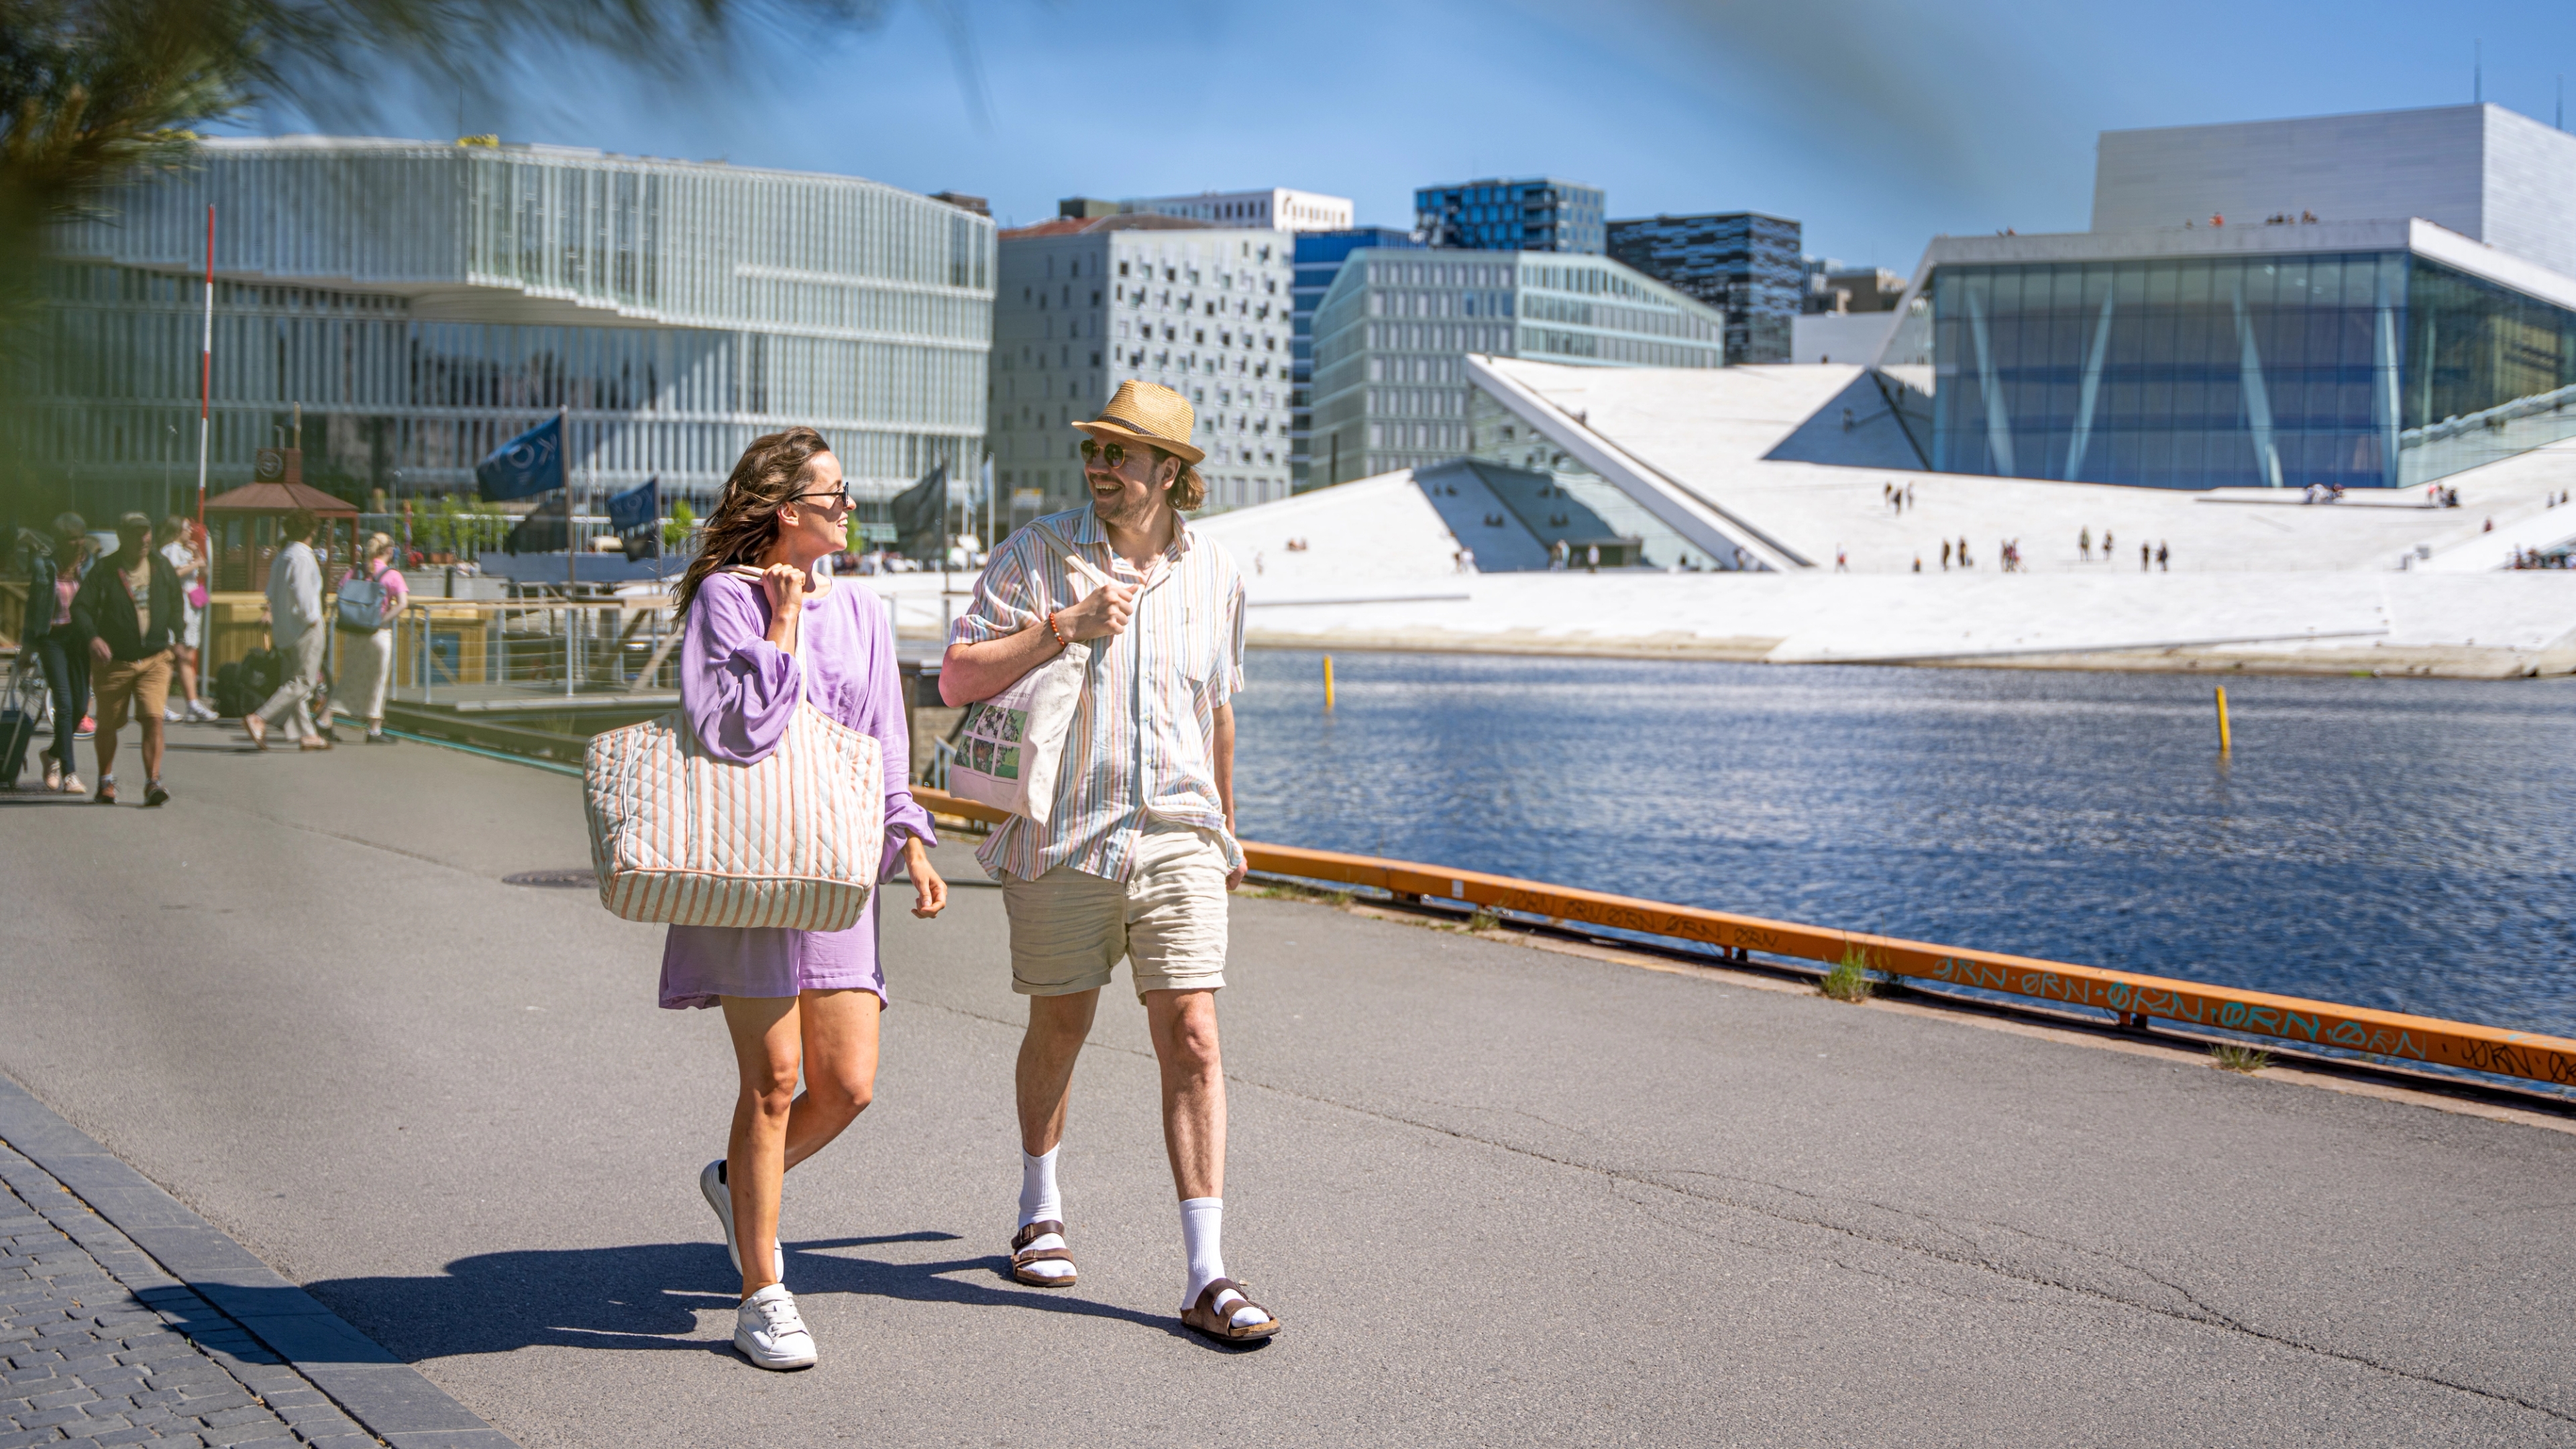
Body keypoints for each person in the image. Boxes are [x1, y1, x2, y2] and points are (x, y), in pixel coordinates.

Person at [939, 379, 1281, 1344]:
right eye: (1094, 449)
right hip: (1064, 832)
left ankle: (1206, 1274)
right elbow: (956, 677)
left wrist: (1228, 829)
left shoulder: (1217, 572)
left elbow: (1217, 709)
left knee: (1195, 1035)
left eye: (1119, 453)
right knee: (1062, 1025)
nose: (1099, 465)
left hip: (1179, 831)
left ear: (1169, 471)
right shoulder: (1035, 556)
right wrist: (1062, 627)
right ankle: (1039, 1208)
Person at [662, 426, 948, 1371]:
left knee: (849, 1084)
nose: (850, 507)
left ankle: (737, 1183)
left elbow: (886, 738)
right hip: (752, 870)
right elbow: (734, 734)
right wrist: (781, 627)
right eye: (836, 494)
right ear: (789, 511)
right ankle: (762, 1294)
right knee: (774, 1080)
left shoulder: (862, 607)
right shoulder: (726, 599)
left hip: (840, 869)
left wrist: (910, 836)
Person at [70, 514, 183, 806]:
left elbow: (176, 601)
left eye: (146, 532)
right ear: (122, 536)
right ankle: (105, 781)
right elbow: (80, 607)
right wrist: (93, 638)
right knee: (108, 723)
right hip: (115, 661)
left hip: (155, 658)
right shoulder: (105, 570)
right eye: (136, 533)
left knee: (153, 718)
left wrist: (180, 638)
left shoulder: (161, 566)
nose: (143, 539)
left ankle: (153, 782)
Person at [246, 510, 328, 750]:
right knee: (304, 682)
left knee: (294, 682)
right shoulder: (303, 557)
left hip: (284, 629)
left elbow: (270, 592)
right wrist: (312, 619)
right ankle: (259, 717)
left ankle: (308, 734)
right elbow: (304, 594)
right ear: (312, 530)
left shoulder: (283, 556)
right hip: (304, 628)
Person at [25, 513, 91, 794]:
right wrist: (27, 647)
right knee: (63, 704)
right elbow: (33, 607)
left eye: (81, 537)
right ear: (59, 541)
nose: (78, 543)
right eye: (71, 539)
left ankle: (52, 754)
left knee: (81, 706)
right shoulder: (44, 566)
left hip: (79, 639)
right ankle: (69, 773)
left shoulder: (88, 565)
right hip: (52, 638)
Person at [327, 533, 407, 744]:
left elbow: (341, 593)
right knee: (377, 681)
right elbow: (402, 603)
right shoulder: (392, 575)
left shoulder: (356, 571)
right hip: (378, 634)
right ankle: (374, 730)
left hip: (354, 632)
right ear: (389, 550)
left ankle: (324, 720)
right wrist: (381, 620)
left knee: (349, 677)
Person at [160, 516, 215, 722]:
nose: (190, 531)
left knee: (187, 657)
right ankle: (160, 704)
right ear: (176, 531)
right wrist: (195, 564)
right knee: (172, 656)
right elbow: (173, 574)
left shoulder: (186, 550)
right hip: (178, 608)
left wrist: (197, 554)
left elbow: (205, 571)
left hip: (192, 606)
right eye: (186, 528)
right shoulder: (170, 550)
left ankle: (192, 704)